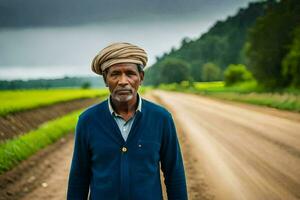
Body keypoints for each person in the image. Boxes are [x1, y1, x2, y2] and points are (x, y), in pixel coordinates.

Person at [67, 42, 188, 200]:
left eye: (130, 73)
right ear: (105, 79)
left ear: (141, 77)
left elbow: (175, 175)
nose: (123, 81)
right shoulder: (87, 121)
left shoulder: (162, 119)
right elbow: (79, 179)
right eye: (115, 74)